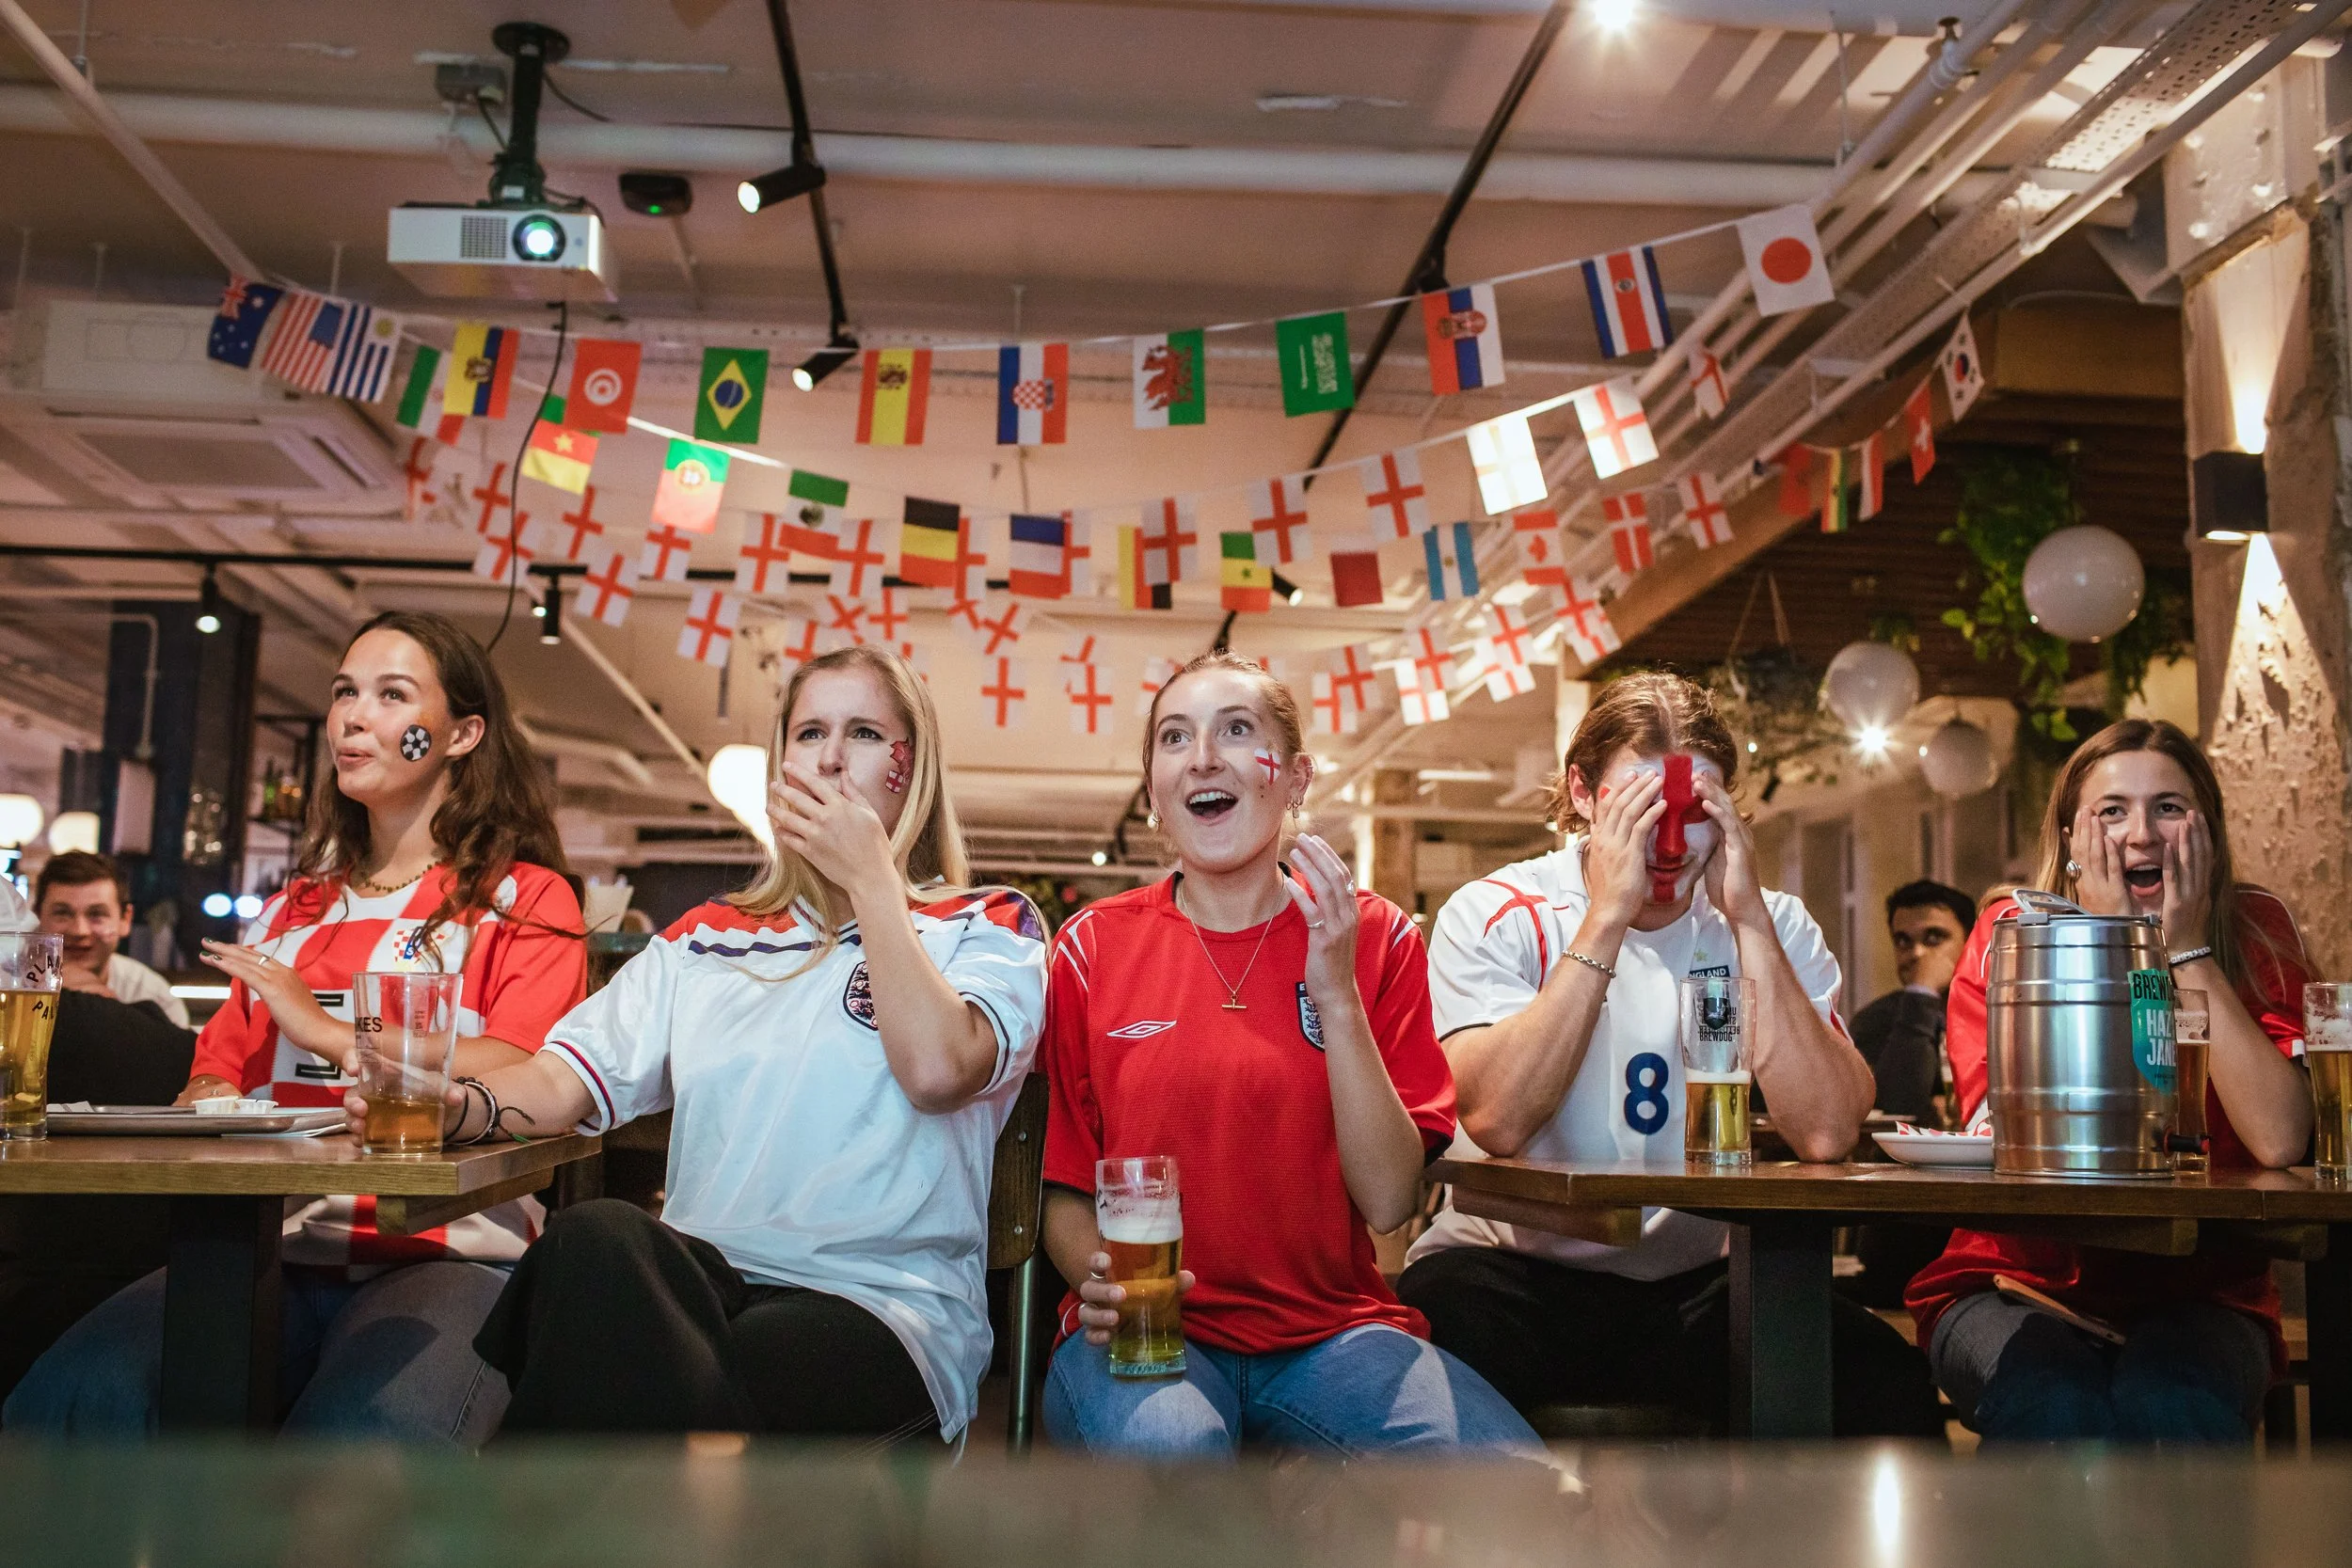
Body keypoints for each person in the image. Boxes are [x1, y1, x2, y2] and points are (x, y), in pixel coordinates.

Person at [436, 645, 1045, 1446]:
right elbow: (561, 1083)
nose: (829, 757)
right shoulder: (707, 938)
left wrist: (872, 883)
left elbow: (937, 1070)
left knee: (651, 1373)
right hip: (698, 1283)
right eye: (808, 733)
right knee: (591, 1238)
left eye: (864, 733)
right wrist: (461, 1103)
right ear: (780, 764)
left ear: (914, 767)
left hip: (882, 1307)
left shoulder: (988, 925)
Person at [6, 611, 585, 1443]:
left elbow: (530, 1061)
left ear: (461, 733)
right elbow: (214, 1075)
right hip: (270, 1242)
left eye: (392, 695)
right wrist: (209, 1095)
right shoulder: (290, 908)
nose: (353, 715)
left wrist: (324, 1032)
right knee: (67, 1405)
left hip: (449, 1249)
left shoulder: (525, 898)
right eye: (345, 691)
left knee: (355, 1462)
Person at [1395, 673, 1943, 1437]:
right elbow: (1497, 1117)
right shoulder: (1497, 911)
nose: (1672, 842)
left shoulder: (1772, 919)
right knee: (1431, 1358)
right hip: (1509, 1272)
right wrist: (1609, 914)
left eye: (1695, 812)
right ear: (1583, 793)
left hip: (1699, 1281)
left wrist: (1747, 916)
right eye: (1643, 809)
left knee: (1884, 1383)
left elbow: (1824, 1131)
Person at [1039, 651, 1539, 1460]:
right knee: (1181, 1458)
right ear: (1157, 789)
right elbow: (1064, 1183)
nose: (1203, 755)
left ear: (1296, 777)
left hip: (1337, 1335)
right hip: (1148, 1334)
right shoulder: (1092, 948)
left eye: (1237, 730)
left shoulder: (1376, 937)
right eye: (1175, 737)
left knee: (1521, 1487)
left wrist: (1335, 993)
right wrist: (1096, 1278)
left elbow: (1388, 1200)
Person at [1906, 719, 2312, 1443]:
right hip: (2009, 1283)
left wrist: (2183, 949)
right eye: (2112, 811)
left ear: (2208, 832)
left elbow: (2281, 1138)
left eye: (2168, 807)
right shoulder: (2011, 932)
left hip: (2205, 1292)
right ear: (2069, 840)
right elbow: (2026, 1141)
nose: (2141, 834)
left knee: (2171, 1412)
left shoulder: (2254, 929)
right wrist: (2112, 939)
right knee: (2057, 1412)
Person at [1848, 879, 1974, 1122]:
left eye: (1934, 937)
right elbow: (1894, 1110)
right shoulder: (1874, 1021)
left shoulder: (1996, 1014)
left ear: (1969, 943)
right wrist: (1922, 993)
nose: (1917, 953)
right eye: (1903, 941)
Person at [35, 850, 188, 1027]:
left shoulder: (153, 997)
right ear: (37, 917)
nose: (79, 931)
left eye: (96, 914)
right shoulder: (11, 987)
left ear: (125, 920)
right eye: (62, 913)